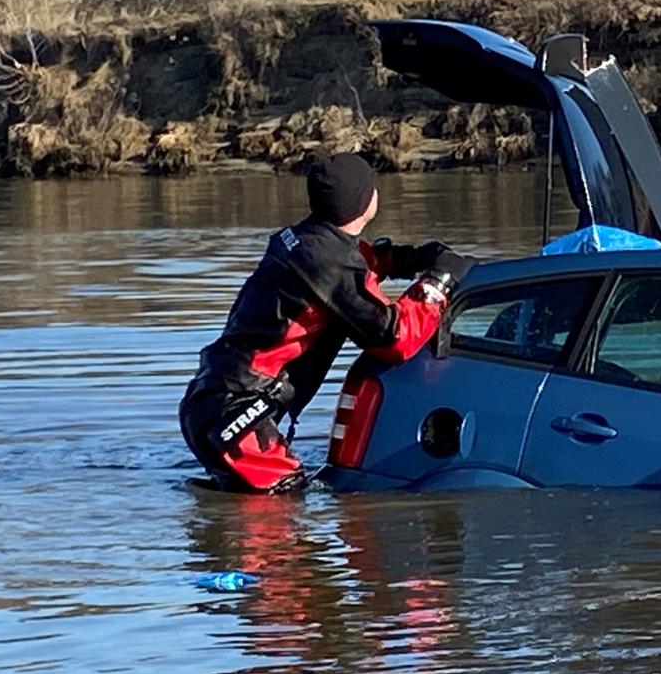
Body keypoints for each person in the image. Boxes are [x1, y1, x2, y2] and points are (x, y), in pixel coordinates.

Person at [179, 153, 474, 493]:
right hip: (239, 419)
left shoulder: (301, 240)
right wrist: (439, 282)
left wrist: (406, 259)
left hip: (210, 405)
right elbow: (396, 338)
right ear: (365, 201)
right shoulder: (330, 265)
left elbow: (348, 269)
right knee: (280, 531)